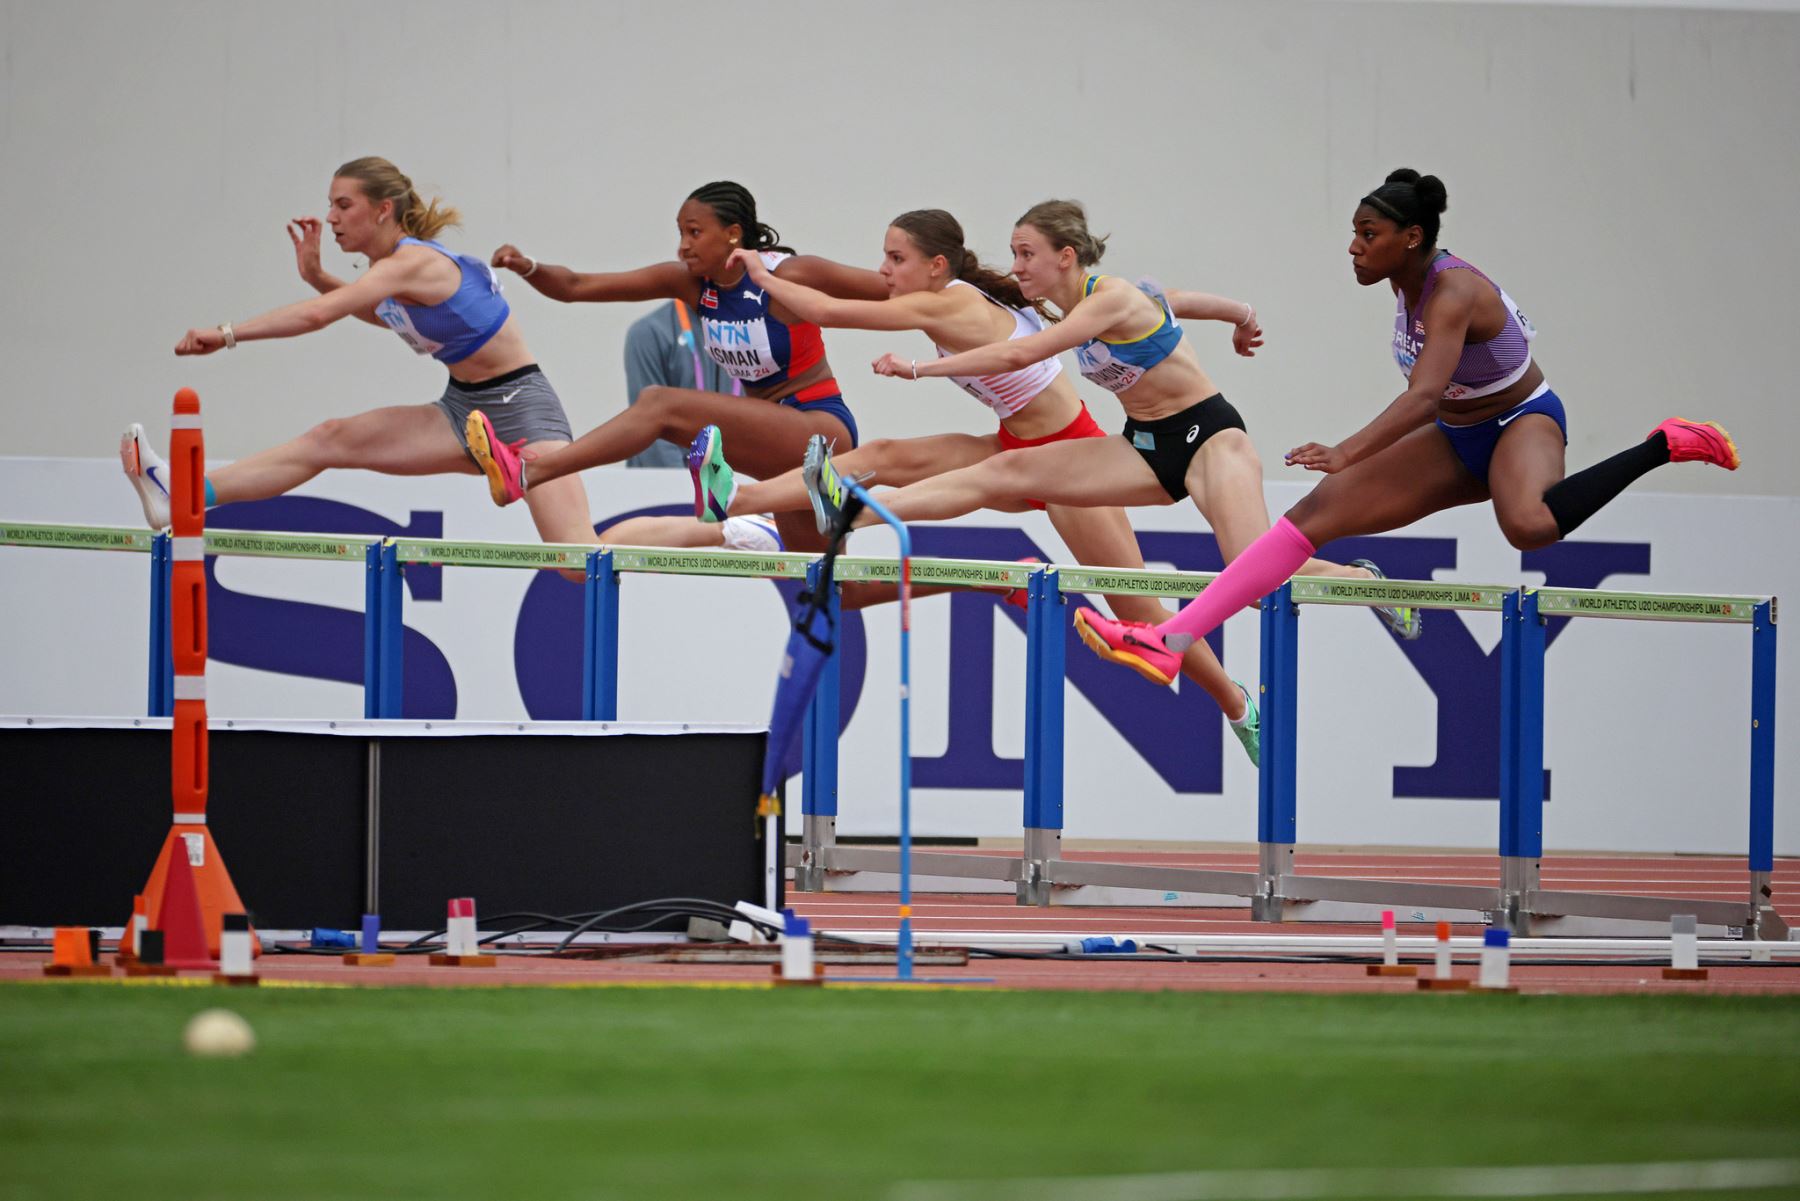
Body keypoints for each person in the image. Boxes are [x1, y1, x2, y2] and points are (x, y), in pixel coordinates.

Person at [1074, 168, 1740, 683]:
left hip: (1520, 422)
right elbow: (1436, 404)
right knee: (1306, 520)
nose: (1354, 247)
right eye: (1356, 233)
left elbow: (1423, 397)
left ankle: (1664, 443)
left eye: (1369, 235)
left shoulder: (1454, 290)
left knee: (1529, 526)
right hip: (1456, 438)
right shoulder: (1405, 283)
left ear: (1411, 238)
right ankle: (1171, 641)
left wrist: (1349, 450)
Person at [690, 208, 1268, 761]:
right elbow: (1164, 301)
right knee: (887, 455)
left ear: (936, 267)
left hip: (1066, 455)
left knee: (1141, 612)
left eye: (896, 258)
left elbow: (831, 311)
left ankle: (1236, 705)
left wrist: (764, 276)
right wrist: (1239, 314)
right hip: (1012, 443)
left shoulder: (949, 306)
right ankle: (738, 498)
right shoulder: (959, 296)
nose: (884, 271)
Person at [806, 199, 1408, 686]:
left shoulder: (1109, 296)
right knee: (1004, 474)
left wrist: (917, 369)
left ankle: (1367, 584)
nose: (1016, 266)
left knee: (1254, 581)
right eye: (1014, 253)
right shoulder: (1066, 300)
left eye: (1027, 254)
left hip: (1208, 440)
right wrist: (1241, 315)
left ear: (1066, 256)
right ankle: (852, 512)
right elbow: (1179, 301)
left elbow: (1020, 352)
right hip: (1142, 446)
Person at [125, 156, 598, 575]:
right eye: (330, 204)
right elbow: (385, 315)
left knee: (578, 558)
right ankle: (183, 495)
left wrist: (227, 334)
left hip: (521, 409)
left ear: (383, 209)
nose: (331, 217)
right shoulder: (392, 273)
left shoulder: (410, 263)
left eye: (343, 205)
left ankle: (676, 533)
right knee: (329, 438)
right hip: (463, 409)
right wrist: (318, 277)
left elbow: (318, 317)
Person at [464, 181, 887, 553]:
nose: (682, 245)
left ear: (733, 234)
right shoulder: (692, 284)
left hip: (819, 432)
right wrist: (529, 267)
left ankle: (529, 472)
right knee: (835, 590)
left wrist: (947, 327)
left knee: (660, 404)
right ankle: (949, 585)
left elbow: (894, 291)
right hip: (775, 446)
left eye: (695, 232)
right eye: (680, 233)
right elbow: (577, 287)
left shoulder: (791, 273)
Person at [621, 300, 739, 467]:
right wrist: (688, 490)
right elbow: (652, 439)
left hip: (740, 482)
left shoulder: (760, 335)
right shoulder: (649, 333)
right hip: (669, 484)